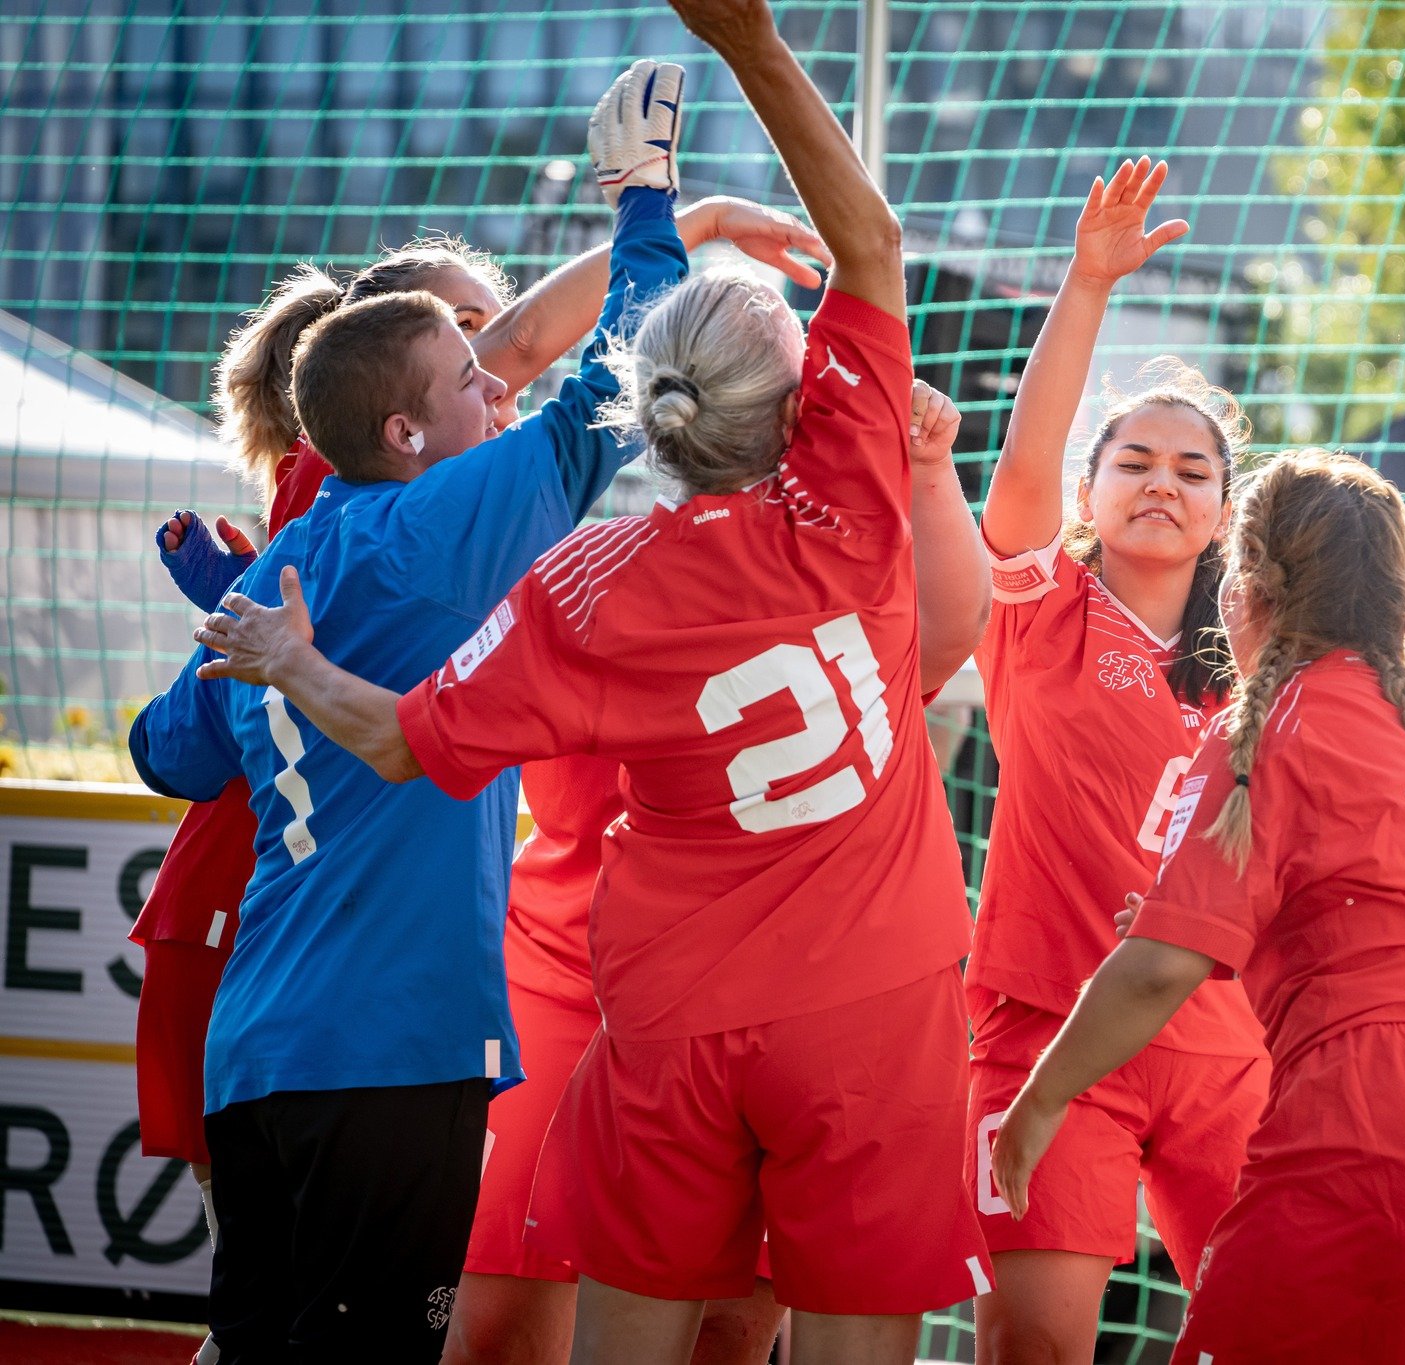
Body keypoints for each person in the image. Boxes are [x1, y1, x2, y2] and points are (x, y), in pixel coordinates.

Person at [191, 4, 988, 1362]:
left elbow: (399, 741)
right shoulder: (850, 485)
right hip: (870, 996)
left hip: (666, 1010)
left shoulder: (585, 582)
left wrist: (287, 657)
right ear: (805, 404)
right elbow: (873, 242)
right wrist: (750, 48)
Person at [132, 200, 825, 1345]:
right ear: (405, 432)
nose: (496, 384)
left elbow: (166, 752)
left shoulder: (292, 559)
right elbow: (612, 384)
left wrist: (235, 623)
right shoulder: (438, 531)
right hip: (390, 1044)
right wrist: (646, 198)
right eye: (470, 370)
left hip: (259, 1048)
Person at [990, 448, 1405, 1362]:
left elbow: (1160, 966)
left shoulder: (1272, 715)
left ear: (1245, 585)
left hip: (1393, 1106)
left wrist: (1038, 1103)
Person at [443, 375, 988, 1365]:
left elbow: (946, 637)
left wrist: (927, 470)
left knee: (731, 1332)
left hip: (758, 999)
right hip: (588, 985)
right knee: (498, 1327)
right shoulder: (595, 572)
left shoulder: (817, 555)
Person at [959, 157, 1269, 1363]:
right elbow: (1021, 472)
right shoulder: (1038, 612)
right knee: (1032, 1346)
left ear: (1222, 511)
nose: (1161, 482)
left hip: (1226, 1046)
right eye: (1133, 461)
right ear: (1091, 492)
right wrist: (1088, 284)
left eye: (1193, 469)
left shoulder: (1265, 659)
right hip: (1043, 1034)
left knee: (1266, 1336)